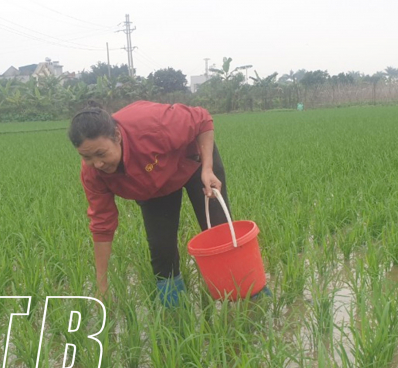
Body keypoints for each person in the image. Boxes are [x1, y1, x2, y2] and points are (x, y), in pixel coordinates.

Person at [68, 100, 269, 307]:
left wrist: (207, 168)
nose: (97, 163)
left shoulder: (151, 125)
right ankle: (174, 311)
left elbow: (202, 120)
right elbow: (102, 225)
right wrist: (101, 286)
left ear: (117, 136)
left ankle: (253, 299)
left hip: (193, 164)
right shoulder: (93, 173)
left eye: (101, 154)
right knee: (161, 249)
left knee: (221, 232)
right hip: (152, 186)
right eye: (86, 156)